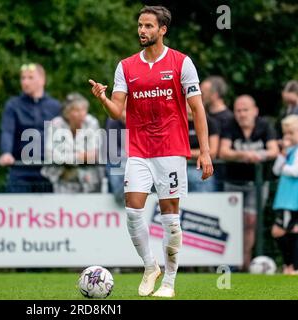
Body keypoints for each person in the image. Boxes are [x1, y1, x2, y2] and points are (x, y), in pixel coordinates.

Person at [89, 5, 213, 298]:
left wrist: (204, 151)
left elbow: (197, 108)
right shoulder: (126, 66)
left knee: (170, 216)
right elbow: (119, 111)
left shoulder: (182, 63)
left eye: (148, 26)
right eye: (140, 25)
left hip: (171, 149)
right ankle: (150, 266)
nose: (142, 31)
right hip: (140, 150)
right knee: (133, 209)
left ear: (162, 30)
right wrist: (103, 98)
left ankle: (169, 282)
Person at [219, 95, 279, 271]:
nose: (242, 114)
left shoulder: (264, 126)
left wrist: (260, 156)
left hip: (257, 183)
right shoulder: (229, 125)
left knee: (250, 221)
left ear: (255, 111)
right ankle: (231, 262)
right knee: (231, 223)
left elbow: (274, 150)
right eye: (238, 110)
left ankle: (245, 262)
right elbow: (223, 151)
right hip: (233, 182)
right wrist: (243, 155)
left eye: (245, 110)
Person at [0, 63, 61, 193]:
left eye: (30, 78)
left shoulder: (55, 106)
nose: (25, 82)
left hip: (48, 168)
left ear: (42, 80)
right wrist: (6, 152)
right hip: (21, 167)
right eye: (23, 78)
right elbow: (7, 131)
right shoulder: (13, 105)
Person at [41, 93, 101, 193]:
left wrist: (67, 158)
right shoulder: (56, 124)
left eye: (84, 110)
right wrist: (80, 157)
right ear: (67, 112)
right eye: (76, 110)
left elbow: (94, 155)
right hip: (59, 179)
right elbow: (51, 155)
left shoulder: (91, 122)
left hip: (88, 181)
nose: (82, 114)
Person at [271, 115, 298, 275]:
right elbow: (276, 170)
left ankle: (293, 266)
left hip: (292, 199)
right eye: (285, 133)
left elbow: (295, 171)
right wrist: (282, 155)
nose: (287, 137)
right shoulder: (288, 151)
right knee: (291, 230)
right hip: (284, 198)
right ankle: (292, 266)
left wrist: (283, 166)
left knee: (279, 231)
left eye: (291, 133)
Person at [187, 105, 219, 192]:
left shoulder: (210, 122)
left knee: (201, 178)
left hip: (202, 169)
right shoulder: (177, 122)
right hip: (180, 168)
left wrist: (185, 153)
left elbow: (212, 152)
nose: (189, 104)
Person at [105, 109, 127, 204]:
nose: (125, 114)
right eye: (123, 110)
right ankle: (121, 194)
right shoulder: (112, 121)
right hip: (119, 160)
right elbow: (111, 150)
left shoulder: (142, 121)